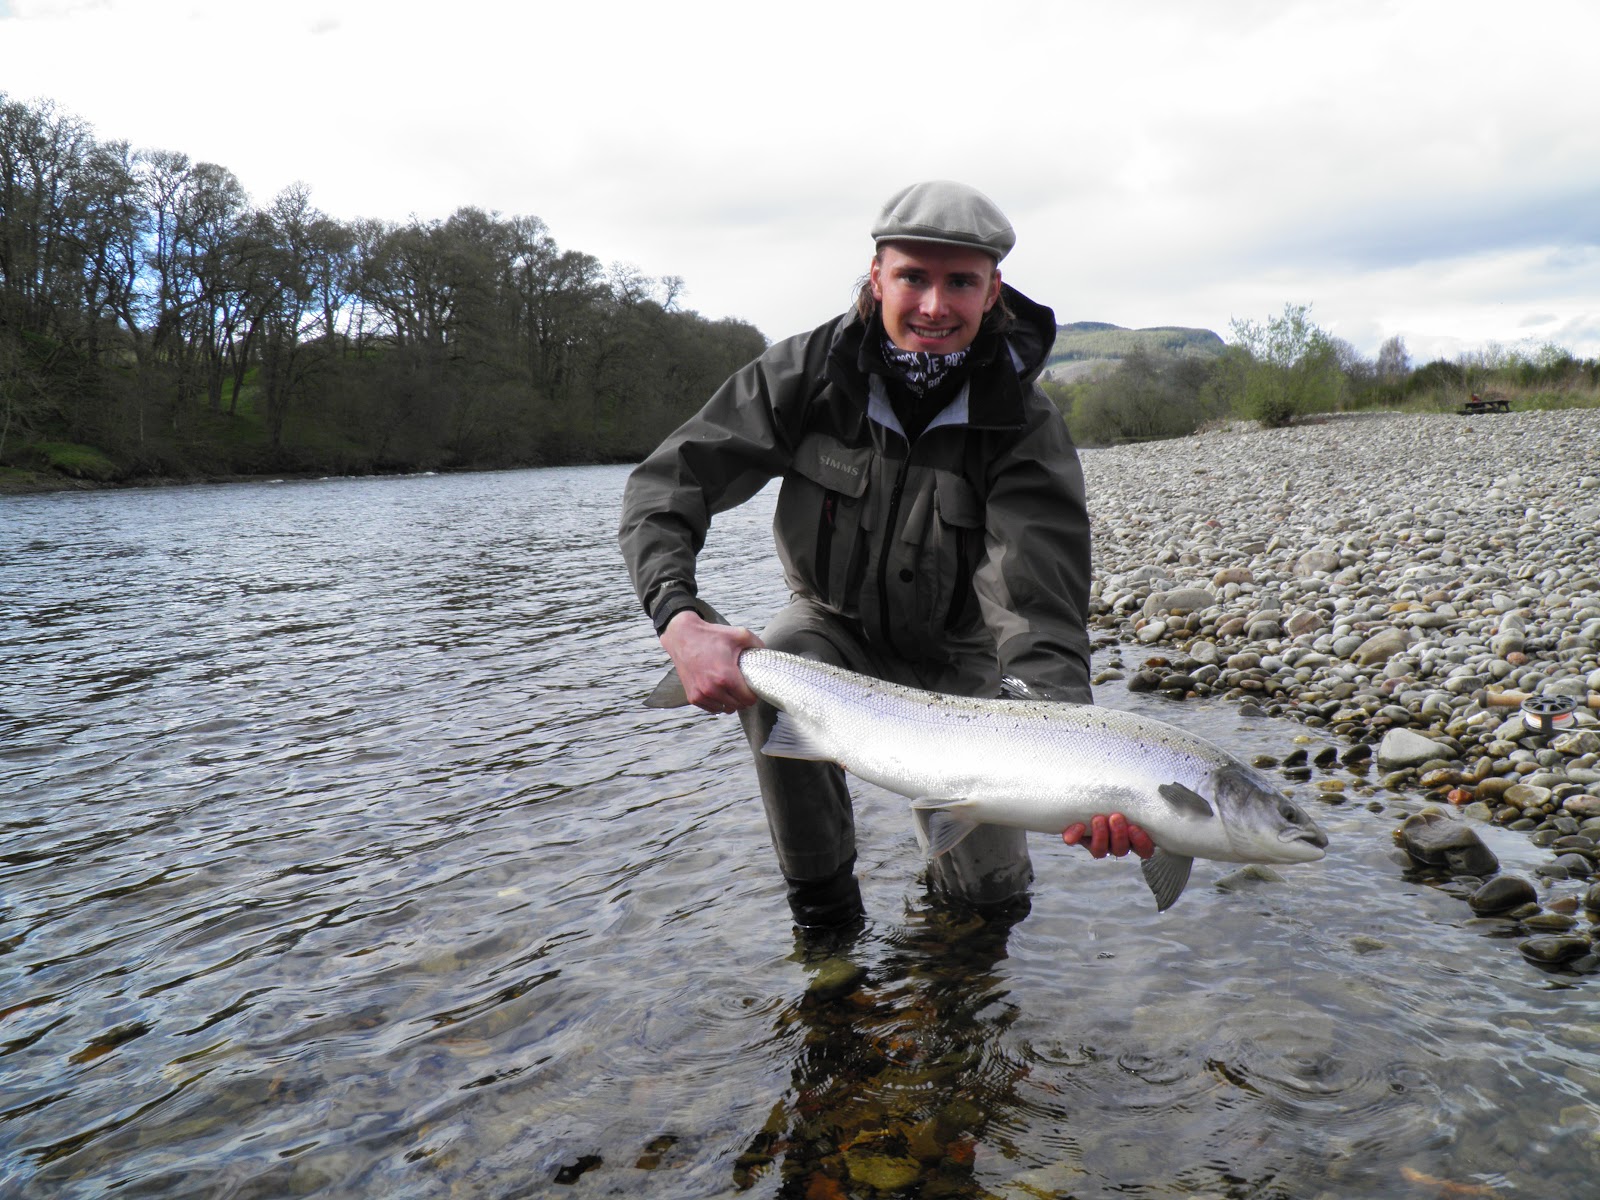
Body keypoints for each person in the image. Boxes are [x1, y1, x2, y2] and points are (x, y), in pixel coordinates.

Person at [619, 180, 1150, 930]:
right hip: (829, 630)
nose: (934, 305)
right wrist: (678, 617)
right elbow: (667, 486)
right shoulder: (805, 374)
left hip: (966, 661)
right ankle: (826, 917)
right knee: (775, 663)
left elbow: (1036, 605)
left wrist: (1075, 761)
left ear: (993, 291)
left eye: (960, 282)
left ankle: (966, 955)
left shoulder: (1024, 424)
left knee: (990, 904)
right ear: (876, 276)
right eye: (913, 277)